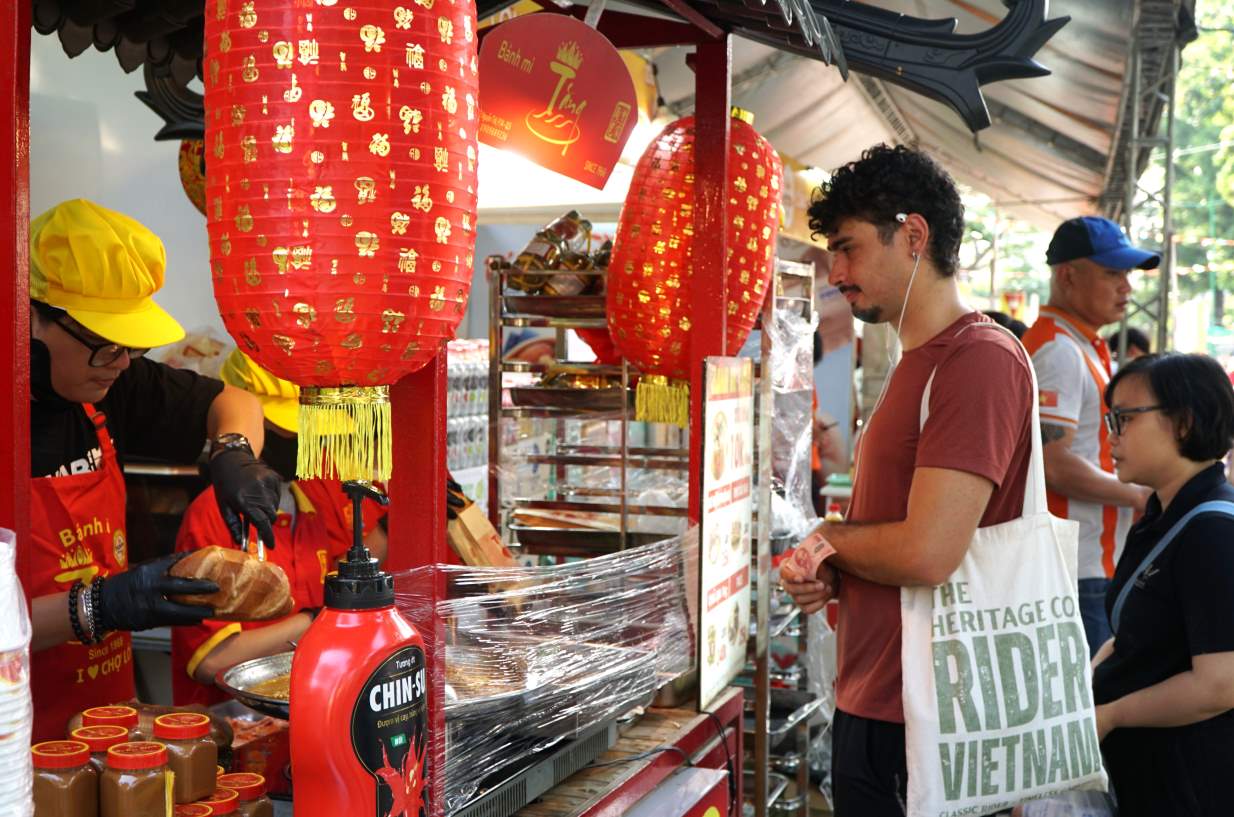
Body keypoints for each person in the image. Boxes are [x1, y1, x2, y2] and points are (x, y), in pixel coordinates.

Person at [780, 145, 1034, 815]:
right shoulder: (914, 363)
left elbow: (928, 550)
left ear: (913, 235)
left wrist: (828, 537)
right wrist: (834, 564)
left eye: (849, 248)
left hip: (927, 712)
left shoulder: (975, 360)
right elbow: (897, 533)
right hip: (881, 696)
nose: (836, 272)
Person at [28, 199, 280, 741]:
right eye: (105, 344)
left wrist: (233, 451)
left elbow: (231, 401)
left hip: (104, 726)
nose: (121, 362)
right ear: (28, 317)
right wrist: (102, 604)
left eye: (131, 346)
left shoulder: (111, 382)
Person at [172, 351, 387, 706]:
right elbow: (211, 661)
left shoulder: (312, 495)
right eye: (284, 432)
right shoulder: (213, 513)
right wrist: (315, 622)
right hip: (236, 729)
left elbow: (346, 573)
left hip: (310, 708)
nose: (300, 445)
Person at [1093, 352, 1234, 815]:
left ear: (1183, 423)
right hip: (1146, 776)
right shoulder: (1162, 513)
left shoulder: (1213, 530)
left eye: (1125, 419)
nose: (1111, 435)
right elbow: (1136, 633)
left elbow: (1219, 685)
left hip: (1189, 783)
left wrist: (1111, 714)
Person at [1022, 217, 1158, 656]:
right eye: (1112, 273)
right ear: (1067, 276)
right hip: (1075, 567)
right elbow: (1053, 462)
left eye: (1127, 275)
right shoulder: (1059, 351)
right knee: (1089, 709)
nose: (1127, 288)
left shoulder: (1078, 345)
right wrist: (1136, 494)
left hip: (1086, 564)